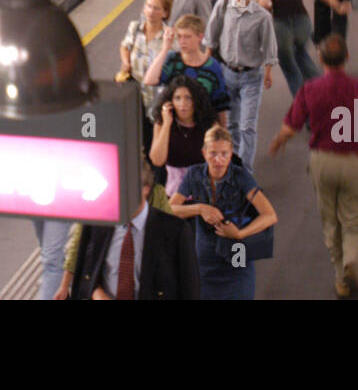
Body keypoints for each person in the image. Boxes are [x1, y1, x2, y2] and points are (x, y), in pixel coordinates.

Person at [269, 34, 358, 299]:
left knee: (330, 220)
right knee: (354, 222)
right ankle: (352, 266)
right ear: (346, 58)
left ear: (319, 59)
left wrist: (278, 141)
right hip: (356, 163)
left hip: (323, 162)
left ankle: (340, 279)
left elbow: (291, 126)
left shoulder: (310, 89)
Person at [61, 153, 200, 299]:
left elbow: (190, 290)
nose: (119, 193)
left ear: (146, 188)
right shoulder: (96, 224)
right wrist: (97, 294)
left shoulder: (175, 230)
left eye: (126, 187)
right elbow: (85, 275)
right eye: (114, 185)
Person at [170, 125, 278, 300]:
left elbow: (270, 215)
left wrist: (239, 233)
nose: (218, 160)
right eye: (213, 153)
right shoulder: (194, 174)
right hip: (205, 257)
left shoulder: (241, 177)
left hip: (237, 253)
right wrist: (199, 208)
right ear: (204, 153)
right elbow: (170, 209)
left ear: (231, 153)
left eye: (224, 154)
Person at [205, 0, 278, 166]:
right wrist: (206, 69)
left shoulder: (262, 17)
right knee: (230, 124)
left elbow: (270, 49)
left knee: (247, 126)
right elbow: (210, 40)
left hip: (251, 77)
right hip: (226, 74)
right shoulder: (222, 6)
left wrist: (268, 72)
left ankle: (245, 173)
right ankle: (232, 163)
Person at [258, 0, 348, 99]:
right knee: (302, 56)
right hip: (303, 23)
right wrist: (338, 6)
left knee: (291, 70)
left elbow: (264, 2)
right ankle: (326, 94)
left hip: (281, 26)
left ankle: (306, 112)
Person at [143, 14, 231, 126]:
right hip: (175, 127)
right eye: (179, 36)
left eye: (187, 36)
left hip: (202, 126)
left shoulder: (212, 66)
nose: (182, 41)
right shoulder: (173, 60)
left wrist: (223, 133)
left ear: (200, 37)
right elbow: (149, 80)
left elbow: (220, 104)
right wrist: (165, 49)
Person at [150, 78, 218, 195]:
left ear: (196, 100)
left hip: (203, 191)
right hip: (171, 193)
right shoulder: (162, 123)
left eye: (188, 98)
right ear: (170, 102)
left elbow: (220, 161)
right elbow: (157, 160)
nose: (183, 104)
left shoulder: (209, 125)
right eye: (177, 98)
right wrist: (167, 123)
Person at [117, 0, 173, 118]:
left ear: (165, 13)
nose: (151, 12)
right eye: (148, 6)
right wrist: (126, 62)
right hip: (134, 94)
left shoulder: (169, 38)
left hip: (158, 97)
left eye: (156, 8)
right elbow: (125, 46)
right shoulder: (135, 28)